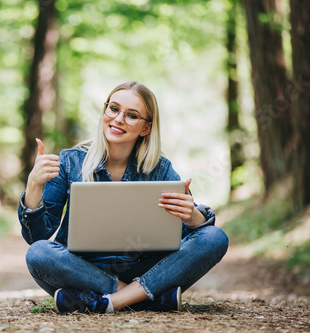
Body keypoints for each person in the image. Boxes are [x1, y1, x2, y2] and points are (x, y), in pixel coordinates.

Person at [17, 81, 229, 314]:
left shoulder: (160, 170)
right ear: (105, 110)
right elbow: (36, 236)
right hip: (83, 270)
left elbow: (194, 237)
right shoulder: (70, 161)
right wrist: (34, 185)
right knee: (38, 254)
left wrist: (192, 216)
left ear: (146, 128)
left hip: (146, 268)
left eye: (132, 115)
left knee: (214, 237)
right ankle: (145, 298)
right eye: (114, 109)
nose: (118, 119)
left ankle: (108, 302)